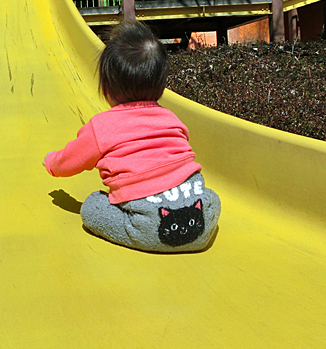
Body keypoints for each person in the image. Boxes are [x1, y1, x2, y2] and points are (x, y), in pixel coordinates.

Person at [43, 20, 221, 252]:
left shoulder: (102, 126)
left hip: (149, 231)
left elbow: (70, 160)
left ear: (106, 88)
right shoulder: (171, 118)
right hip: (200, 225)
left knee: (91, 207)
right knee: (213, 197)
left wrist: (51, 163)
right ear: (161, 86)